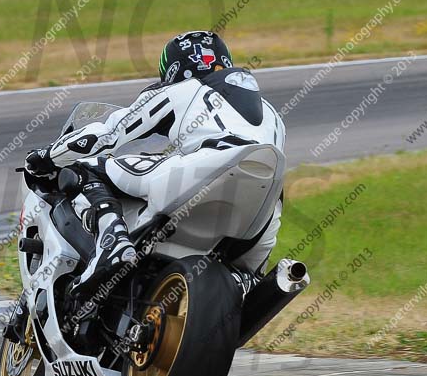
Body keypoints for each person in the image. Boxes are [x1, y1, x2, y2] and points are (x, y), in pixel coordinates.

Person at [25, 31, 285, 297]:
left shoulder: (184, 89)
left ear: (173, 70)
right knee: (247, 282)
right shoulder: (272, 112)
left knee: (88, 167)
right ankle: (250, 287)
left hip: (207, 167)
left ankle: (112, 243)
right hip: (265, 203)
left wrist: (46, 157)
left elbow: (108, 134)